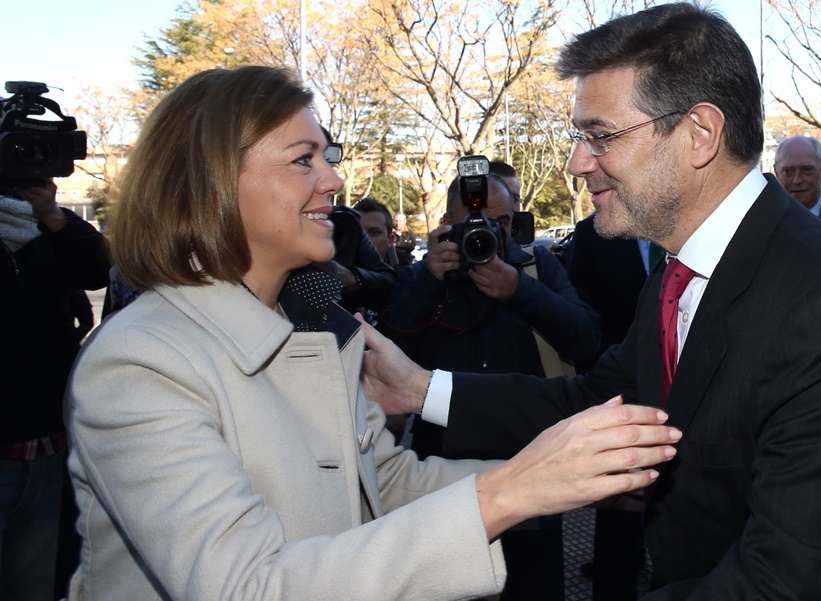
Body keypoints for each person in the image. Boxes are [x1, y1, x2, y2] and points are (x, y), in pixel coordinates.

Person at [362, 5, 821, 599]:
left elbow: (782, 580)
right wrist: (420, 389)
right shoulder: (677, 271)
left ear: (699, 134)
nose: (578, 163)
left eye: (600, 136)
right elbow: (592, 399)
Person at [64, 66, 680, 600]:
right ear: (213, 185)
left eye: (325, 159)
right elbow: (245, 585)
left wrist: (556, 485)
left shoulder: (309, 328)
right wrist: (510, 491)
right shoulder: (140, 364)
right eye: (303, 160)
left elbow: (384, 483)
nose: (333, 182)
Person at [381, 172, 599, 601]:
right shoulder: (427, 275)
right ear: (446, 223)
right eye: (474, 223)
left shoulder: (535, 266)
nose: (487, 233)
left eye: (499, 223)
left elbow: (587, 338)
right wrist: (428, 281)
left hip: (529, 457)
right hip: (441, 466)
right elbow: (387, 353)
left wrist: (521, 291)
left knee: (534, 584)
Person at [1, 178, 110, 600]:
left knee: (33, 586)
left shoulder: (34, 230)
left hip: (46, 448)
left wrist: (51, 216)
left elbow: (96, 269)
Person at [565, 213, 662, 599]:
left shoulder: (690, 218)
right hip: (620, 390)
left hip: (690, 381)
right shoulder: (594, 232)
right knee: (619, 506)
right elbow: (581, 309)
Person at [354, 197, 400, 268]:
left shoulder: (402, 278)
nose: (364, 239)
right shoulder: (334, 273)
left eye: (373, 233)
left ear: (390, 239)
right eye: (358, 232)